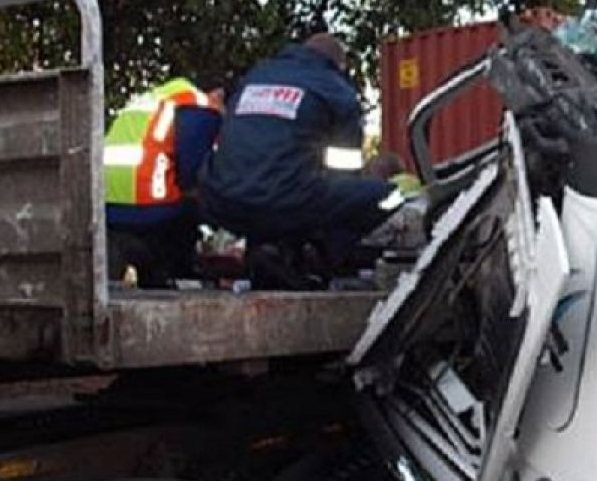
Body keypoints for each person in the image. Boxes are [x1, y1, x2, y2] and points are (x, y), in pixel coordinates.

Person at [200, 34, 402, 289]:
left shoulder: (256, 76)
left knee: (277, 186)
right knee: (389, 195)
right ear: (338, 65)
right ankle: (321, 259)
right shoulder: (335, 89)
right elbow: (344, 170)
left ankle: (267, 249)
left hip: (223, 198)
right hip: (285, 200)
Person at [103, 78, 223, 287]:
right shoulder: (199, 105)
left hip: (108, 205)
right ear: (218, 96)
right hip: (150, 208)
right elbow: (192, 174)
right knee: (196, 207)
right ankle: (180, 278)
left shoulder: (155, 99)